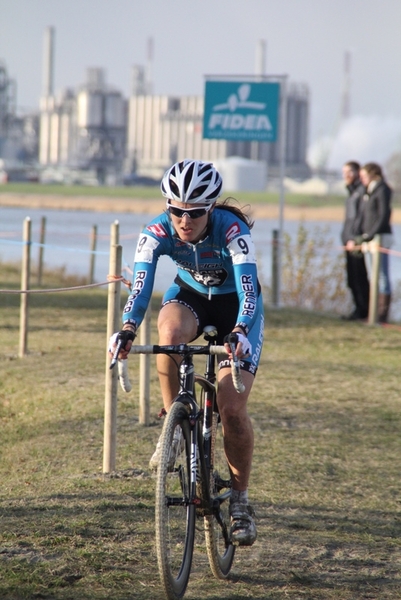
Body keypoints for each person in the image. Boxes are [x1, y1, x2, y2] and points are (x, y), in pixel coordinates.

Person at [110, 159, 264, 546]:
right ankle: (173, 424)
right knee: (169, 331)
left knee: (231, 408)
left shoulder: (233, 231)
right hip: (191, 297)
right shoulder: (156, 231)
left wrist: (241, 330)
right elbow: (141, 287)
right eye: (175, 210)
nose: (183, 219)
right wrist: (128, 329)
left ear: (209, 209)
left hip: (237, 310)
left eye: (194, 213)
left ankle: (241, 502)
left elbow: (249, 288)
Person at [358, 162, 393, 323]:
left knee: (382, 276)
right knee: (373, 276)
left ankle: (381, 315)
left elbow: (383, 215)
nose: (362, 179)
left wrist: (371, 234)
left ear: (373, 174)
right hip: (370, 239)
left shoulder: (382, 189)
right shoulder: (369, 190)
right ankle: (372, 314)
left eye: (364, 176)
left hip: (379, 238)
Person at [340, 161, 370, 320]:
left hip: (355, 243)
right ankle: (358, 310)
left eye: (349, 171)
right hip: (348, 243)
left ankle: (364, 311)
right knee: (351, 279)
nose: (346, 175)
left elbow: (359, 219)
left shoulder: (361, 191)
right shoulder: (352, 192)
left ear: (357, 172)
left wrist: (353, 238)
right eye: (344, 172)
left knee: (359, 278)